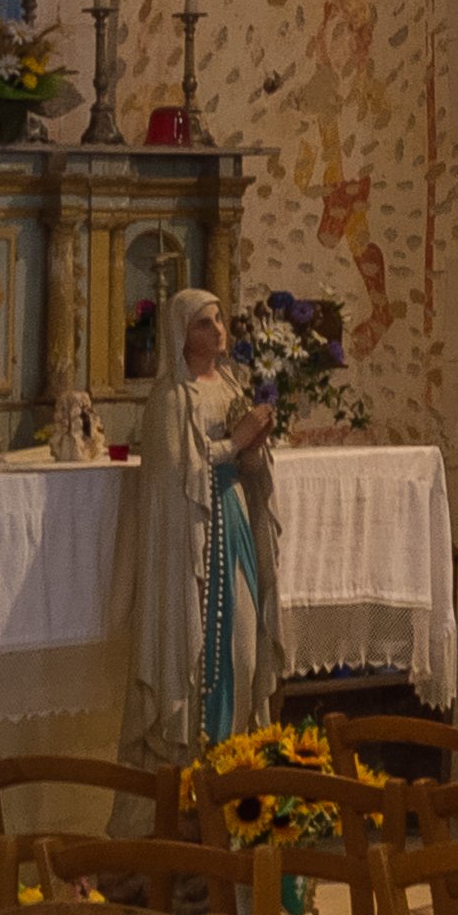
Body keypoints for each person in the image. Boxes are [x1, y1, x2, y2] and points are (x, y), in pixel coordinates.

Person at [125, 282, 280, 763]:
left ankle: (238, 760)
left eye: (219, 319)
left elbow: (247, 468)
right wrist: (236, 443)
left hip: (233, 521)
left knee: (244, 650)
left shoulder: (232, 387)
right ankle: (201, 770)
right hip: (193, 539)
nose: (218, 330)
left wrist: (253, 451)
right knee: (205, 655)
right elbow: (175, 475)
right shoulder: (172, 401)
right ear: (181, 335)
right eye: (204, 323)